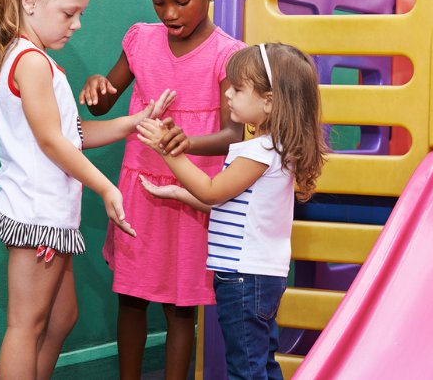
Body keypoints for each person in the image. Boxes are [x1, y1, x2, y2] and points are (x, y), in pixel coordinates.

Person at [0, 0, 174, 379]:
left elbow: (72, 135)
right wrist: (105, 185)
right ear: (30, 1)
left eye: (80, 14)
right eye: (68, 13)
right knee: (26, 326)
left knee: (60, 319)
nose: (76, 24)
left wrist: (135, 120)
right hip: (36, 214)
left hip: (54, 216)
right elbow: (50, 141)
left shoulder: (38, 62)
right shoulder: (31, 63)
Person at [77, 0, 245, 379]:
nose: (169, 14)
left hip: (189, 197)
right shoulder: (140, 41)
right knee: (130, 300)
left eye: (181, 1)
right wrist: (96, 85)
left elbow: (233, 133)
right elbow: (103, 104)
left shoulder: (228, 56)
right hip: (140, 194)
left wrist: (186, 143)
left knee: (179, 311)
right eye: (159, 2)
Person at [137, 43, 327, 379]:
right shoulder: (274, 150)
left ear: (269, 101)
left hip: (244, 277)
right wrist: (179, 192)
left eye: (238, 89)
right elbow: (224, 201)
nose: (228, 95)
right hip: (258, 276)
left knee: (246, 368)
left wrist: (167, 152)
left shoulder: (261, 151)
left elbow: (212, 190)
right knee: (260, 361)